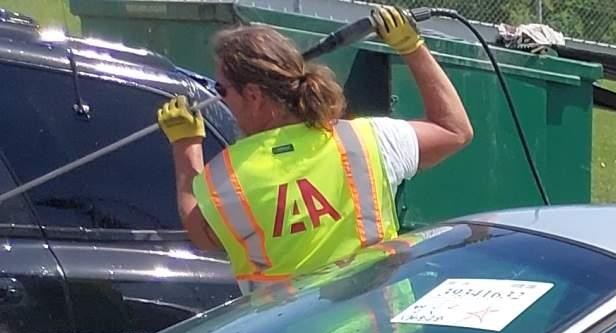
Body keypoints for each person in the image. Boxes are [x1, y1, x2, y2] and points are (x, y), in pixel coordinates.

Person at [156, 9, 472, 290]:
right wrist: (412, 48)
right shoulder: (368, 139)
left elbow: (201, 235)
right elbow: (454, 130)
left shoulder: (225, 176)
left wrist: (186, 146)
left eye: (222, 89)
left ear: (253, 95)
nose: (220, 98)